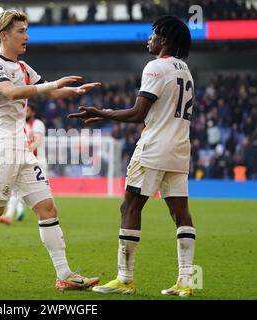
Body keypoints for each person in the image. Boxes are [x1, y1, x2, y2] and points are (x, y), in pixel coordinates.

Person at [0, 9, 101, 290]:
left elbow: (51, 92)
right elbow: (13, 93)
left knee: (47, 208)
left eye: (26, 31)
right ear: (5, 35)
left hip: (20, 147)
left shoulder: (25, 68)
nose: (26, 37)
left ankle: (64, 275)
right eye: (21, 32)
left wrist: (76, 92)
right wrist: (53, 84)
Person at [69, 16, 196, 297]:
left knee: (129, 208)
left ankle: (125, 279)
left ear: (164, 38)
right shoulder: (185, 70)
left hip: (153, 148)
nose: (148, 39)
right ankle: (186, 282)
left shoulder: (156, 66)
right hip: (179, 148)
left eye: (152, 34)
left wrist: (101, 112)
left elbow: (138, 113)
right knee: (180, 212)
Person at [0, 103, 47, 224]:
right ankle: (10, 215)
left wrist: (28, 150)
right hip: (24, 160)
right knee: (16, 189)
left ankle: (41, 214)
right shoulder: (21, 125)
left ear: (33, 112)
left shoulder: (37, 124)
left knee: (39, 193)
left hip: (37, 162)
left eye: (28, 110)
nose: (25, 112)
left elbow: (37, 140)